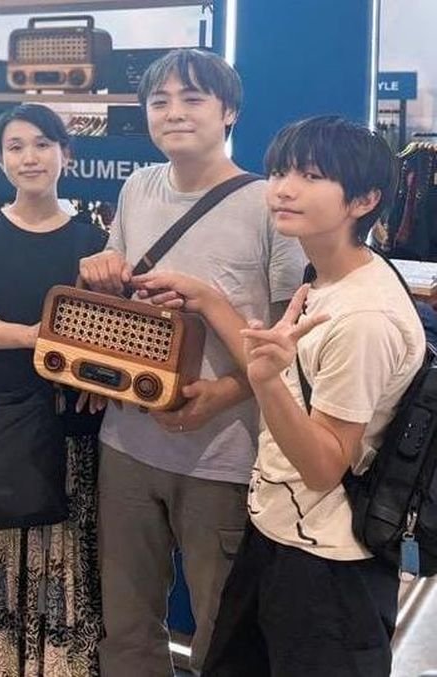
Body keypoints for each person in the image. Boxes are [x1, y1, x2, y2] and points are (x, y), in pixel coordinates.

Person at [135, 116, 422, 677]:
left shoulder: (364, 317)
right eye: (279, 173)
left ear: (364, 199)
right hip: (277, 534)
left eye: (310, 176)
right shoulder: (327, 276)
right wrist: (210, 301)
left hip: (329, 564)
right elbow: (286, 377)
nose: (284, 189)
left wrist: (264, 384)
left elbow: (323, 465)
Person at [76, 48, 305, 676]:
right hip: (127, 442)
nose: (174, 112)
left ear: (229, 111)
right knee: (126, 625)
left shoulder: (269, 205)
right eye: (160, 102)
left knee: (221, 629)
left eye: (193, 98)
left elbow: (289, 340)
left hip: (224, 456)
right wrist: (99, 271)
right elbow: (122, 296)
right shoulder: (138, 187)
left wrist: (225, 392)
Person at [0, 104, 106, 677]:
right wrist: (35, 337)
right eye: (15, 146)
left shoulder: (92, 242)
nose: (29, 157)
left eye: (41, 144)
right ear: (1, 159)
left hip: (67, 426)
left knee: (64, 554)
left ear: (65, 154)